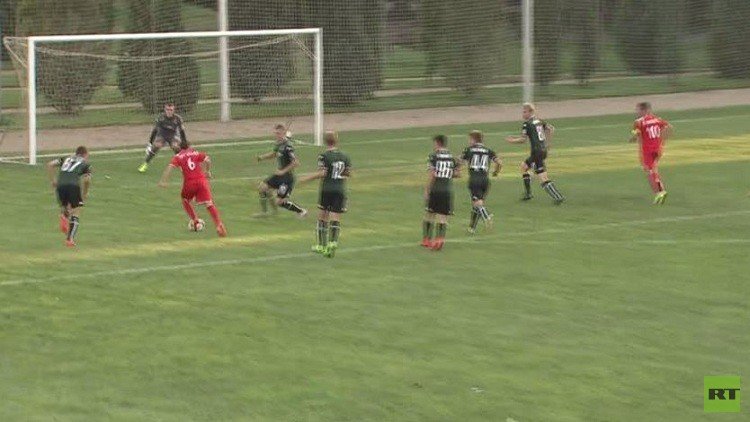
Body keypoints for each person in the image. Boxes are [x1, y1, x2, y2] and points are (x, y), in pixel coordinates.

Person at [158, 141, 227, 237]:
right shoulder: (195, 152)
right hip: (202, 181)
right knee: (209, 203)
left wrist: (163, 181)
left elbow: (170, 167)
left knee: (185, 199)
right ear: (189, 146)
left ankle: (195, 220)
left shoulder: (178, 157)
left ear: (180, 148)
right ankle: (219, 224)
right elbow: (207, 160)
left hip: (189, 183)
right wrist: (207, 171)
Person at [300, 131, 352, 258]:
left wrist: (306, 178)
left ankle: (321, 245)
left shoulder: (323, 156)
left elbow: (322, 173)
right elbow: (348, 173)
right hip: (340, 190)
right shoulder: (345, 156)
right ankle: (333, 242)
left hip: (327, 189)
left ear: (325, 141)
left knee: (322, 216)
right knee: (335, 216)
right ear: (336, 141)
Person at [506, 103, 565, 204]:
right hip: (542, 150)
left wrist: (511, 141)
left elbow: (523, 140)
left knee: (542, 177)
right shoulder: (539, 121)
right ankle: (528, 193)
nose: (523, 114)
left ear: (530, 112)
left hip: (536, 152)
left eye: (524, 112)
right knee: (524, 166)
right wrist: (548, 143)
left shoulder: (527, 124)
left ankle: (558, 197)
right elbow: (551, 128)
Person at [255, 124, 307, 218]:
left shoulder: (288, 146)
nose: (276, 135)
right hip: (278, 175)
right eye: (275, 133)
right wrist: (262, 157)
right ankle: (265, 212)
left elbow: (296, 162)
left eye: (278, 133)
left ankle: (301, 211)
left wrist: (283, 171)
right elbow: (274, 154)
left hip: (287, 178)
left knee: (279, 202)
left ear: (283, 132)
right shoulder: (278, 144)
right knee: (262, 188)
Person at [47, 146, 92, 247]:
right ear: (85, 155)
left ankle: (64, 215)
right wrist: (85, 193)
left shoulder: (66, 159)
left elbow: (50, 164)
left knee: (66, 206)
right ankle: (69, 239)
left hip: (60, 185)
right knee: (76, 211)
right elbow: (87, 180)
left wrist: (53, 181)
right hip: (73, 186)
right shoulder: (85, 164)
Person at [629, 102, 672, 204]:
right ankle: (660, 192)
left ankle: (660, 192)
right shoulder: (657, 119)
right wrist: (663, 140)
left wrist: (631, 139)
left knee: (650, 171)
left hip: (647, 150)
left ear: (644, 110)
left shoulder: (639, 122)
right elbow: (669, 127)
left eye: (638, 110)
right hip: (658, 149)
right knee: (652, 169)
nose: (637, 112)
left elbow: (636, 135)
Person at [422, 135, 460, 251]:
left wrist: (427, 189)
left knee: (430, 214)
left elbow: (432, 174)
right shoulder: (453, 158)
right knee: (443, 216)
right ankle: (439, 240)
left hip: (436, 189)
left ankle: (427, 240)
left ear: (437, 143)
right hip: (447, 189)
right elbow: (457, 174)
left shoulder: (433, 156)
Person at [461, 130, 501, 234]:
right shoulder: (489, 151)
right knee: (477, 204)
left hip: (474, 179)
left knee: (478, 204)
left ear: (473, 139)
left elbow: (461, 162)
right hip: (485, 180)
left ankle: (487, 216)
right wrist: (496, 172)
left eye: (470, 139)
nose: (469, 141)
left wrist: (456, 169)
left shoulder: (468, 150)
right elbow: (499, 163)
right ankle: (472, 228)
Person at [138, 102, 187, 173]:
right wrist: (150, 143)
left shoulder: (178, 118)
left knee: (175, 146)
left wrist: (184, 142)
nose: (169, 111)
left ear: (174, 110)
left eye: (171, 110)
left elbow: (182, 131)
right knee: (157, 146)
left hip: (173, 136)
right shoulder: (161, 118)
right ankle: (145, 164)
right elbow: (155, 131)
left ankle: (182, 164)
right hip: (162, 135)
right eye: (167, 110)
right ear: (165, 110)